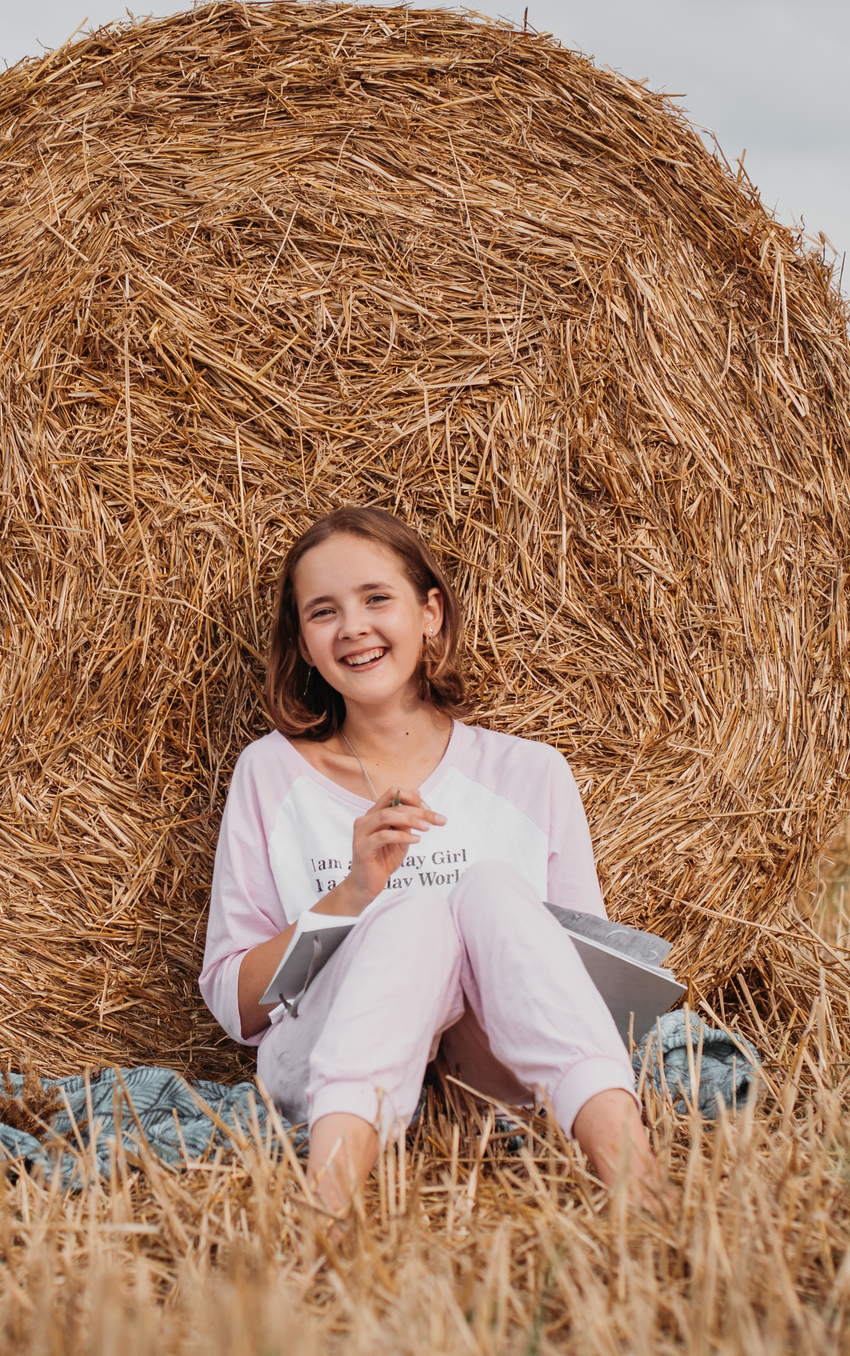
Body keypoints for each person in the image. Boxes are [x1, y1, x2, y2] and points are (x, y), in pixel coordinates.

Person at [199, 506, 663, 1216]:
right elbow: (236, 1005)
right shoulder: (270, 775)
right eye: (323, 611)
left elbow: (585, 990)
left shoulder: (531, 773)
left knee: (490, 891)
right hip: (325, 1075)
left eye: (376, 598)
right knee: (411, 913)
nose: (352, 625)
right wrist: (354, 893)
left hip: (503, 1087)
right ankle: (327, 1209)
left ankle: (637, 1183)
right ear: (304, 642)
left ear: (430, 613)